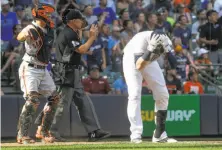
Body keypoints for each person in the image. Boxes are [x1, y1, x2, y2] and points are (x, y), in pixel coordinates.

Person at [46, 9, 110, 142]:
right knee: (63, 103)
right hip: (65, 72)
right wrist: (92, 37)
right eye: (80, 19)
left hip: (73, 72)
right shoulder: (68, 33)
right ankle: (51, 131)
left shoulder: (72, 33)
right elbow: (80, 49)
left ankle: (93, 131)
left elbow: (75, 50)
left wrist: (85, 46)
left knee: (84, 102)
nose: (82, 21)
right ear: (72, 21)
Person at [123, 30, 178, 143]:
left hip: (149, 59)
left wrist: (157, 51)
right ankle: (136, 135)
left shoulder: (164, 39)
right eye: (160, 48)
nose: (162, 52)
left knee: (162, 93)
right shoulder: (140, 41)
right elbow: (138, 65)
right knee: (134, 94)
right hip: (133, 58)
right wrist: (150, 49)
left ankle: (160, 134)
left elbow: (170, 58)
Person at [16, 3, 59, 144]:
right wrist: (23, 35)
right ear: (39, 14)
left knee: (55, 98)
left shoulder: (49, 29)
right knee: (32, 100)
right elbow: (20, 36)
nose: (49, 16)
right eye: (46, 14)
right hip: (30, 68)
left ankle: (43, 130)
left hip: (43, 68)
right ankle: (22, 135)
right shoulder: (31, 28)